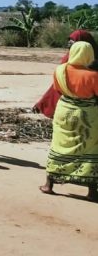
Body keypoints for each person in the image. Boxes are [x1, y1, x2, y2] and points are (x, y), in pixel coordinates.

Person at [39, 41, 98, 201]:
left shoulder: (60, 70)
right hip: (87, 116)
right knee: (90, 148)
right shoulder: (93, 75)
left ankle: (49, 185)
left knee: (59, 144)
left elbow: (58, 90)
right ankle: (92, 191)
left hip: (64, 111)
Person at [34, 30, 98, 118]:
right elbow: (57, 87)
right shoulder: (66, 60)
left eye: (72, 42)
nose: (69, 44)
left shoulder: (93, 68)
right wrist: (42, 103)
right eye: (69, 41)